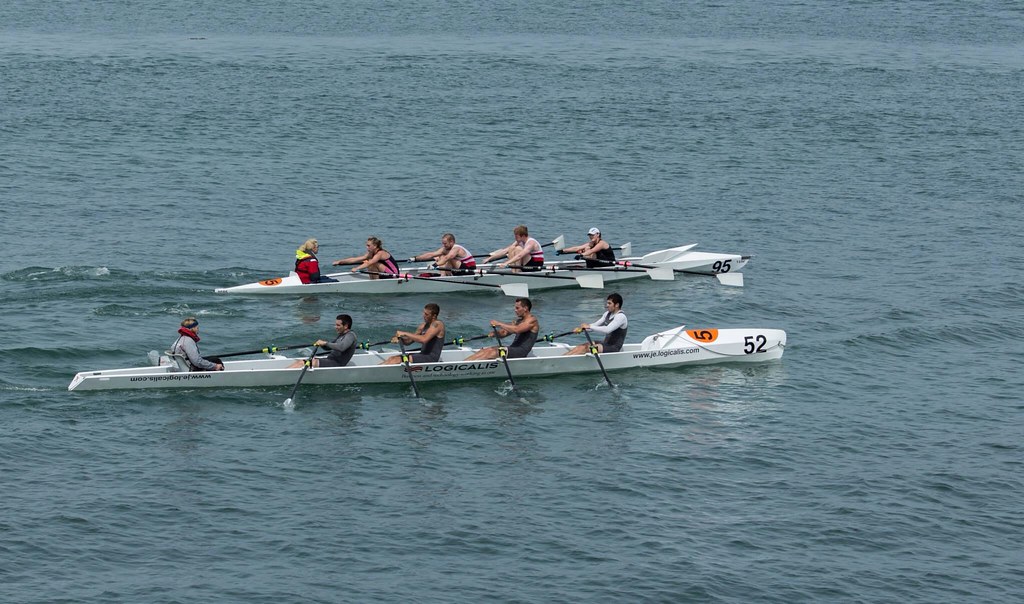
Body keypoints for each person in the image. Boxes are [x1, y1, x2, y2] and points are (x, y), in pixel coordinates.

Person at [464, 298, 540, 360]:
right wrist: (495, 334)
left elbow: (517, 330)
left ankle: (465, 366)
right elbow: (504, 333)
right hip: (513, 349)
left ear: (525, 308)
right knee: (486, 350)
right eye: (515, 308)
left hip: (521, 352)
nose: (515, 310)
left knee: (492, 352)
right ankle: (464, 363)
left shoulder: (532, 320)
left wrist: (499, 324)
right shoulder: (518, 321)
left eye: (517, 308)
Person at [380, 303, 446, 364]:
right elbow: (409, 341)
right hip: (422, 355)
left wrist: (405, 333)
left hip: (431, 358)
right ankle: (373, 373)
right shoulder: (423, 326)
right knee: (392, 358)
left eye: (426, 314)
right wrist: (400, 339)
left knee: (396, 360)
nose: (423, 316)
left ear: (434, 316)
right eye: (423, 313)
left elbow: (424, 339)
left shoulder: (437, 324)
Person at [563, 293, 628, 355]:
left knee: (585, 348)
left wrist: (589, 326)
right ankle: (562, 358)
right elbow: (595, 325)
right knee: (581, 346)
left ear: (617, 305)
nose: (607, 305)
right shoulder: (607, 314)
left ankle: (562, 361)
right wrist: (581, 329)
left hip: (613, 348)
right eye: (607, 303)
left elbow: (607, 329)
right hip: (605, 344)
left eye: (609, 303)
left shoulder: (621, 317)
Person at [288, 314, 356, 368]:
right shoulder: (341, 335)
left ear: (346, 326)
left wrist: (325, 343)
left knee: (305, 363)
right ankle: (284, 372)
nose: (335, 327)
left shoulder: (350, 336)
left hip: (337, 364)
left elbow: (342, 347)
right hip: (330, 360)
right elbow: (329, 347)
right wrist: (323, 345)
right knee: (300, 361)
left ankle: (283, 376)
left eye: (338, 325)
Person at [409, 233, 477, 275]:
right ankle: (444, 276)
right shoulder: (445, 249)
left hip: (469, 270)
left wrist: (435, 265)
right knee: (441, 255)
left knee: (446, 257)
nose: (444, 245)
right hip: (457, 270)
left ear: (451, 242)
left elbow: (447, 258)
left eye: (445, 243)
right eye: (443, 243)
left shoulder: (457, 249)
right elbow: (431, 254)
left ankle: (443, 276)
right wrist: (415, 258)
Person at [333, 236, 400, 279]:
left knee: (371, 263)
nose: (367, 247)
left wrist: (357, 268)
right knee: (368, 261)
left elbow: (369, 263)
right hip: (384, 273)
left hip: (393, 275)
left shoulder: (380, 253)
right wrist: (339, 262)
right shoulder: (371, 253)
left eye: (368, 246)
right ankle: (373, 281)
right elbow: (355, 259)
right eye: (366, 245)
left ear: (375, 246)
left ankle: (375, 283)